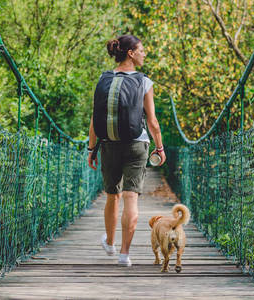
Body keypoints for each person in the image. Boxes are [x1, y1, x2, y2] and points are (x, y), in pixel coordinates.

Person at [87, 34, 166, 267]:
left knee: (113, 196)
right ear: (131, 53)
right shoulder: (144, 81)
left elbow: (94, 119)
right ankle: (124, 255)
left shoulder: (103, 79)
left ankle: (110, 243)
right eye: (141, 50)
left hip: (109, 144)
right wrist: (160, 148)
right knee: (131, 198)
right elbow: (152, 121)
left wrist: (91, 148)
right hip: (137, 144)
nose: (144, 53)